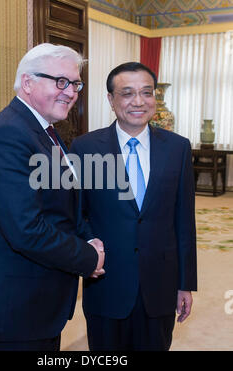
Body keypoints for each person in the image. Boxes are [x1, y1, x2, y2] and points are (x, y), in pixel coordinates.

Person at [0, 43, 105, 351]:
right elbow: (26, 229)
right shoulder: (8, 135)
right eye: (60, 81)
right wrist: (88, 258)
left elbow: (62, 205)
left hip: (34, 309)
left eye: (75, 83)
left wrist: (88, 239)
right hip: (8, 315)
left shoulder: (43, 130)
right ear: (27, 82)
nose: (71, 91)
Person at [71, 62, 197, 351]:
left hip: (161, 286)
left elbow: (184, 221)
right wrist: (90, 249)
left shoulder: (178, 148)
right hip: (107, 284)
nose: (138, 102)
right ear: (111, 100)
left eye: (146, 92)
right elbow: (78, 213)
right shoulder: (85, 147)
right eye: (127, 93)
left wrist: (185, 283)